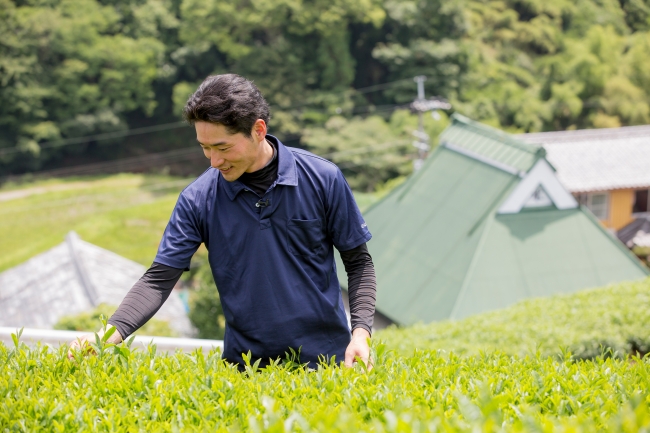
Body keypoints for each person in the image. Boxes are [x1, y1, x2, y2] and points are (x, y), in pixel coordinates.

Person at [68, 74, 377, 369]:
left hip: (327, 363)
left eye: (223, 147)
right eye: (205, 148)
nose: (214, 161)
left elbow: (358, 262)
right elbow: (159, 279)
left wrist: (361, 332)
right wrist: (105, 337)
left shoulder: (322, 178)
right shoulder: (197, 199)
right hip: (247, 371)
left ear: (258, 130)